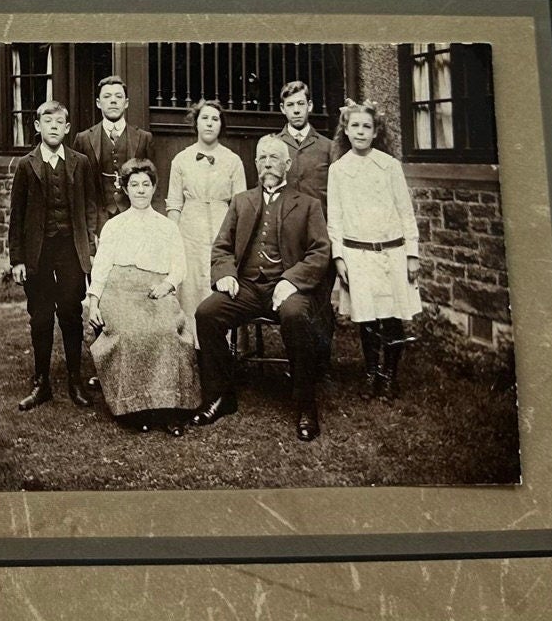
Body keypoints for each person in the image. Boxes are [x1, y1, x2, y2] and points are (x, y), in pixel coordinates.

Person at [194, 133, 333, 441]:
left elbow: (320, 252)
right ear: (255, 164)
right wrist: (225, 274)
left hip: (286, 288)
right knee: (206, 313)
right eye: (262, 158)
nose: (268, 163)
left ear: (287, 163)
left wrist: (291, 280)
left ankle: (305, 404)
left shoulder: (308, 204)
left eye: (274, 158)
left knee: (297, 317)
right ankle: (221, 395)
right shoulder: (242, 201)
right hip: (246, 287)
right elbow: (221, 246)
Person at [84, 158, 196, 434]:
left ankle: (169, 408)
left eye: (146, 184)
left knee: (166, 331)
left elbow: (179, 265)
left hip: (155, 289)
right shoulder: (114, 226)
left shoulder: (167, 226)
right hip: (119, 290)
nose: (141, 190)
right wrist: (95, 301)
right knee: (131, 332)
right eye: (134, 185)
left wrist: (167, 284)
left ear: (154, 187)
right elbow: (101, 267)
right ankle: (134, 409)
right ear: (125, 189)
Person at [327, 100, 422, 396]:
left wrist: (412, 253)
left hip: (391, 252)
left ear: (376, 131)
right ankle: (371, 373)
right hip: (357, 255)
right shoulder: (339, 170)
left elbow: (405, 211)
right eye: (354, 126)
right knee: (367, 317)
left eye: (366, 126)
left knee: (392, 316)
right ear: (346, 129)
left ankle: (390, 375)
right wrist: (339, 256)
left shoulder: (389, 166)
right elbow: (336, 217)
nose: (360, 131)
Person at [7, 100, 95, 411]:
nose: (54, 126)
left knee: (71, 313)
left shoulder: (80, 162)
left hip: (71, 248)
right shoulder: (26, 164)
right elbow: (16, 216)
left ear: (68, 128)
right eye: (48, 121)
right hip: (38, 252)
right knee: (41, 316)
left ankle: (75, 380)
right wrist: (17, 259)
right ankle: (41, 382)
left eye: (60, 122)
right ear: (37, 127)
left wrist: (91, 249)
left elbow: (90, 208)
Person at [164, 98, 246, 339]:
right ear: (196, 123)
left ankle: (225, 346)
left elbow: (241, 205)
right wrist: (172, 240)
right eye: (205, 118)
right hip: (190, 229)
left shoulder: (233, 160)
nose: (210, 123)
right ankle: (190, 344)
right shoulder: (181, 159)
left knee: (219, 283)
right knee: (190, 287)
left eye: (215, 119)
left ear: (221, 125)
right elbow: (174, 204)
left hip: (223, 227)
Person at [73, 75, 154, 238]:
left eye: (118, 96)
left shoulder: (144, 138)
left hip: (135, 217)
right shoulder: (83, 139)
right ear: (98, 103)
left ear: (126, 103)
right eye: (107, 96)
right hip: (98, 222)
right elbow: (78, 188)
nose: (113, 101)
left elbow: (153, 183)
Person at [275, 79, 334, 208]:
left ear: (310, 105)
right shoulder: (274, 145)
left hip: (318, 222)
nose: (296, 110)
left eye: (301, 103)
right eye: (290, 105)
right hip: (283, 223)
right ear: (282, 108)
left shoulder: (328, 147)